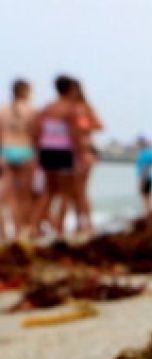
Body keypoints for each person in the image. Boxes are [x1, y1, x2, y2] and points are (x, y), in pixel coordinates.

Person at [29, 75, 84, 237]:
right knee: (66, 191)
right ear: (70, 89)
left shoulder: (47, 108)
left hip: (46, 150)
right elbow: (75, 133)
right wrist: (79, 153)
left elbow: (36, 131)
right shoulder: (71, 108)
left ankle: (33, 227)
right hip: (64, 150)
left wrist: (39, 150)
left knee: (48, 191)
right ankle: (59, 228)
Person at [0, 79, 36, 236]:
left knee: (10, 196)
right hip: (25, 150)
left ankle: (8, 231)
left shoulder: (4, 110)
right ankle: (21, 229)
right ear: (25, 92)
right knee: (24, 195)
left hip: (7, 150)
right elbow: (35, 134)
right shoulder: (31, 110)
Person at [135, 136, 152, 218]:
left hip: (146, 177)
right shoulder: (149, 152)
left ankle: (149, 214)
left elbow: (146, 168)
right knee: (148, 197)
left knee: (146, 197)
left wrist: (142, 181)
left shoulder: (147, 153)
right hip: (148, 177)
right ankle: (149, 213)